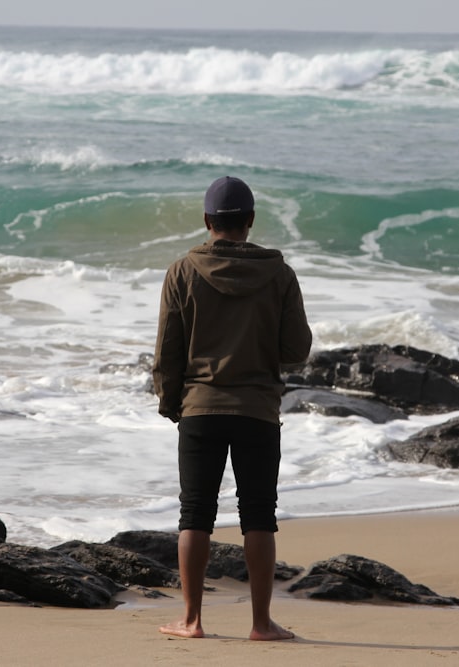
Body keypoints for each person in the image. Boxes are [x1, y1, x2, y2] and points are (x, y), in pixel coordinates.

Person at [153, 176, 313, 641]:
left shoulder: (182, 271)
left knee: (195, 512)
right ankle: (261, 624)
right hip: (258, 410)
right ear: (250, 221)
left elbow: (168, 351)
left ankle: (192, 620)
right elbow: (297, 348)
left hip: (200, 409)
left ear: (207, 221)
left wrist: (171, 403)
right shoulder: (279, 274)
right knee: (259, 514)